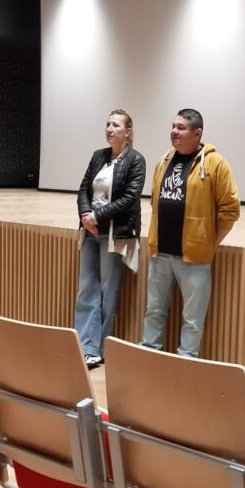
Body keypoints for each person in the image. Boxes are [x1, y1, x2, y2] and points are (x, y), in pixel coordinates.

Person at [142, 108, 239, 358]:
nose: (174, 131)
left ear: (197, 133)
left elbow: (230, 210)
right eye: (173, 126)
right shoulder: (164, 160)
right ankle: (148, 361)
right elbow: (155, 201)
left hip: (194, 260)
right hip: (160, 254)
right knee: (153, 312)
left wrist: (212, 242)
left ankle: (186, 365)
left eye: (181, 128)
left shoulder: (216, 163)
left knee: (192, 320)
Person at [74, 110, 146, 369]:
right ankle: (86, 347)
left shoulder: (136, 160)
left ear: (128, 131)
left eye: (116, 125)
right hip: (91, 232)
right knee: (87, 289)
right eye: (107, 124)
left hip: (116, 234)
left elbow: (129, 198)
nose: (110, 129)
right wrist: (86, 215)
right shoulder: (98, 156)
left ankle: (100, 349)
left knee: (107, 291)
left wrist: (96, 216)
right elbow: (84, 189)